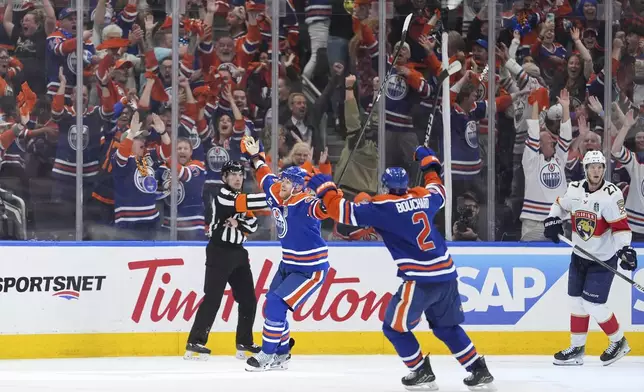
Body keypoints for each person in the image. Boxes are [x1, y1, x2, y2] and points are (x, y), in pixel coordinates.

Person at [307, 146, 495, 391]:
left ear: (385, 188)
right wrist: (428, 164)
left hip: (420, 280)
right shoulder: (423, 198)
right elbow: (438, 189)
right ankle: (478, 370)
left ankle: (419, 370)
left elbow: (341, 211)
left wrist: (325, 187)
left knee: (393, 327)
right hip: (447, 276)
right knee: (447, 327)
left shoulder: (382, 207)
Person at [241, 136, 330, 372]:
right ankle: (281, 354)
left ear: (299, 187)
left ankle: (266, 355)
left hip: (311, 269)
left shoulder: (306, 202)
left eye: (289, 183)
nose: (283, 185)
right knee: (272, 307)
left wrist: (328, 195)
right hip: (288, 263)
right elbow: (264, 175)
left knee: (275, 302)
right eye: (283, 180)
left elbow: (322, 209)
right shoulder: (276, 191)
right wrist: (255, 156)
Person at [543, 150, 637, 366]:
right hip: (579, 256)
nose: (596, 170)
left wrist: (624, 249)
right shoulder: (575, 189)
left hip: (602, 260)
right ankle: (577, 348)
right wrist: (552, 219)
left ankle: (619, 341)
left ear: (604, 169)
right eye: (592, 166)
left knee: (593, 304)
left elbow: (620, 227)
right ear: (585, 169)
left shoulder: (612, 195)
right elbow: (560, 204)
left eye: (600, 166)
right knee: (576, 303)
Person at [184, 160, 268, 361]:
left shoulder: (240, 198)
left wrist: (238, 221)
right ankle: (195, 342)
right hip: (219, 251)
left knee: (248, 299)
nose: (237, 178)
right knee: (213, 298)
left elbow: (254, 225)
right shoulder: (223, 195)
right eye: (232, 174)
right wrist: (277, 197)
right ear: (224, 178)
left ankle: (244, 342)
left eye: (240, 174)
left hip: (239, 252)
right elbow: (250, 205)